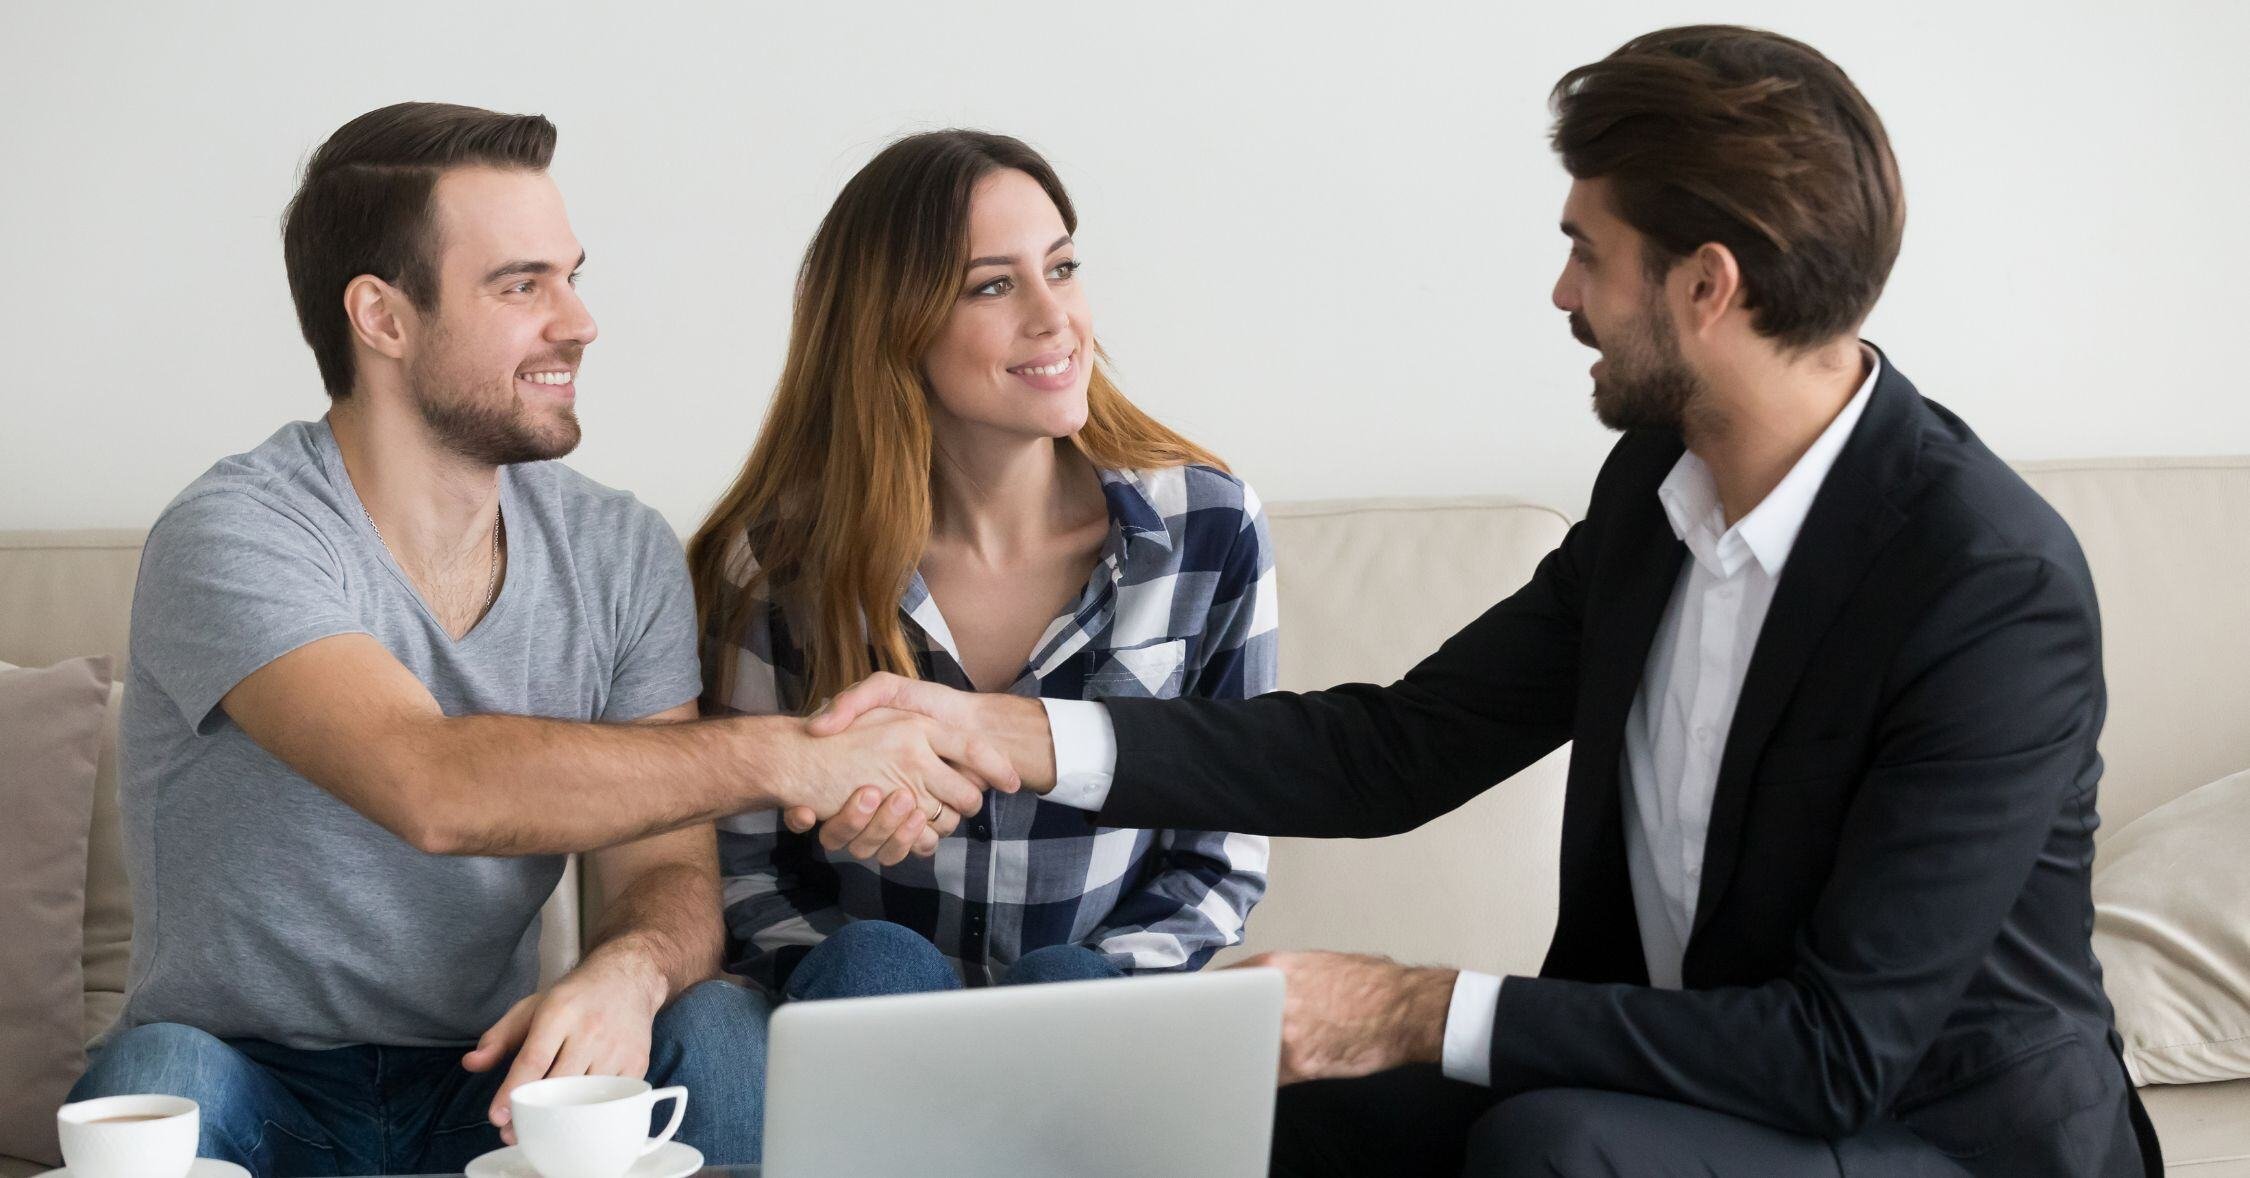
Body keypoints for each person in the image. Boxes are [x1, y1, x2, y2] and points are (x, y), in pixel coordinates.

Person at [804, 27, 2160, 1178]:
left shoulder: (1985, 589)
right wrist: (1017, 734)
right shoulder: (1655, 491)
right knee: (1276, 1113)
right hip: (1686, 1073)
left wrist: (1405, 1004)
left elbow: (1833, 1049)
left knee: (1553, 1146)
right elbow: (1394, 745)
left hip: (1937, 1130)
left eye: (1587, 250)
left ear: (1705, 285)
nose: (1560, 291)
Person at [68, 102, 1013, 1175]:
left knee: (718, 1027)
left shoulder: (618, 550)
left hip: (494, 1080)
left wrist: (633, 966)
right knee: (160, 1079)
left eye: (571, 276)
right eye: (523, 286)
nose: (579, 321)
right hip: (248, 1078)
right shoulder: (236, 531)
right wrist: (799, 753)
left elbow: (662, 864)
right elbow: (430, 783)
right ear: (382, 317)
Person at [689, 130, 1275, 1004]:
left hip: (1087, 1032)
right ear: (894, 327)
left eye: (1063, 267)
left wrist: (1092, 990)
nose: (1055, 317)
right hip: (862, 1029)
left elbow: (1219, 856)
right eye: (994, 286)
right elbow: (745, 869)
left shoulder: (1207, 530)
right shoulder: (776, 566)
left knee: (1068, 986)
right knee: (872, 966)